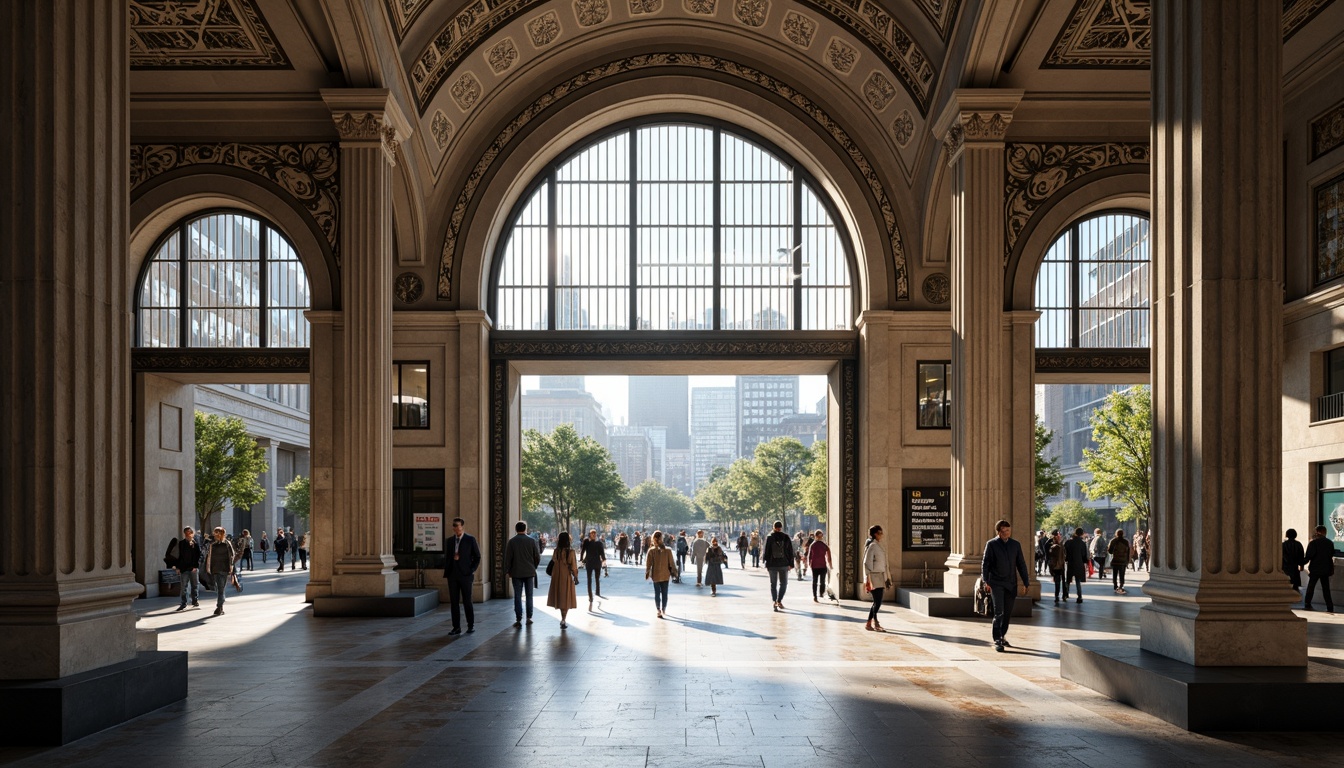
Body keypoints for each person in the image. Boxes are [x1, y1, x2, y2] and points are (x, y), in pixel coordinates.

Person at [981, 519, 1030, 652]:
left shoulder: (1015, 545)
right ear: (998, 532)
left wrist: (1026, 582)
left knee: (1007, 613)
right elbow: (985, 564)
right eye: (1003, 531)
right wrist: (986, 581)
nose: (1006, 533)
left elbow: (1021, 564)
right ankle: (997, 639)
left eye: (1008, 530)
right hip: (996, 583)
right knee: (999, 612)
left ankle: (1002, 635)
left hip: (1011, 584)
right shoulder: (991, 544)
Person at [445, 517, 481, 635]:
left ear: (462, 526)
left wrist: (471, 570)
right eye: (454, 525)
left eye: (457, 525)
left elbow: (477, 557)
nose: (455, 527)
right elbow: (447, 557)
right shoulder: (450, 541)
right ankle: (456, 627)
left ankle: (470, 625)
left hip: (465, 575)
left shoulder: (470, 540)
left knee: (467, 601)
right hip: (453, 575)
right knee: (454, 602)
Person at [504, 521, 541, 627]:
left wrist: (508, 570)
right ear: (526, 529)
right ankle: (529, 617)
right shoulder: (532, 541)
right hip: (529, 572)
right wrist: (534, 567)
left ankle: (518, 618)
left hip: (516, 573)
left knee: (517, 595)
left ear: (516, 529)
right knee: (529, 596)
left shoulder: (512, 542)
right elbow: (537, 557)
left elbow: (508, 558)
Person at [546, 530, 579, 629]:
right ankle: (564, 619)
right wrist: (575, 576)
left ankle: (563, 618)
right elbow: (573, 566)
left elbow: (554, 561)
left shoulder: (556, 551)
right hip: (566, 576)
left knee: (560, 596)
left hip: (556, 576)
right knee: (566, 597)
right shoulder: (571, 552)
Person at [203, 526, 236, 616]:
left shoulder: (227, 544)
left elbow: (232, 555)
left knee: (221, 588)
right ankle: (220, 606)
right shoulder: (212, 545)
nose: (215, 535)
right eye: (214, 533)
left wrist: (231, 566)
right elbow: (209, 556)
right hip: (215, 569)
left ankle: (219, 606)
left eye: (217, 533)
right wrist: (208, 568)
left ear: (221, 534)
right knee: (220, 587)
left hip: (225, 568)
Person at [1303, 525, 1336, 613]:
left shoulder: (1313, 543)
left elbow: (1309, 556)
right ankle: (1330, 606)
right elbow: (1331, 555)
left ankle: (1307, 603)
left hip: (1315, 569)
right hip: (1326, 569)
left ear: (1318, 532)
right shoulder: (1330, 543)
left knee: (1311, 587)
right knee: (1326, 589)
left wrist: (1301, 563)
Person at [644, 530, 677, 618]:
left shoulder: (651, 551)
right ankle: (664, 609)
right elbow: (672, 563)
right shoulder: (668, 550)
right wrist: (675, 573)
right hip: (665, 575)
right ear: (662, 538)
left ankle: (658, 610)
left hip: (656, 575)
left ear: (653, 539)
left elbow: (648, 564)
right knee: (665, 593)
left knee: (657, 593)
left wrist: (647, 573)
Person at [763, 521, 794, 611]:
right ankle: (779, 600)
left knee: (773, 584)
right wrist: (791, 564)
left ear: (773, 527)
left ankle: (774, 601)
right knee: (783, 583)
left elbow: (767, 551)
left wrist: (766, 563)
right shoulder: (786, 537)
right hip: (784, 564)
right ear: (781, 527)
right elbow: (790, 551)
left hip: (772, 564)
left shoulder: (770, 537)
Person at [171, 526, 204, 611]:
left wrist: (196, 566)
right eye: (186, 533)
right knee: (183, 586)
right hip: (184, 568)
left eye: (190, 532)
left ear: (192, 533)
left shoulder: (196, 543)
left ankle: (195, 600)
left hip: (193, 568)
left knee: (195, 585)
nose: (188, 534)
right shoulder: (181, 543)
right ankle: (183, 602)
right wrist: (177, 567)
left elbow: (200, 556)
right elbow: (178, 556)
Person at [862, 525, 888, 631]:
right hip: (874, 576)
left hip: (880, 575)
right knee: (877, 601)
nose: (881, 535)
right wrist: (868, 579)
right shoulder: (872, 546)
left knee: (877, 601)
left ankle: (869, 623)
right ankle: (874, 623)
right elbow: (866, 562)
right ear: (875, 534)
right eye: (879, 533)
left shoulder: (877, 545)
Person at [580, 528, 607, 607]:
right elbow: (582, 551)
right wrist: (581, 560)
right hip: (589, 563)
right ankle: (590, 596)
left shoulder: (599, 543)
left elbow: (602, 554)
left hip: (597, 563)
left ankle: (597, 591)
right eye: (592, 534)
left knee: (597, 578)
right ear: (590, 534)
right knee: (589, 579)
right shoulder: (586, 542)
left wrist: (604, 563)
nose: (594, 535)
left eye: (595, 534)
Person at [1064, 527, 1089, 604]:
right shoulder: (1083, 544)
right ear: (1081, 534)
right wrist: (1085, 562)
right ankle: (1079, 596)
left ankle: (1065, 594)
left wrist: (1067, 559)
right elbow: (1085, 555)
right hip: (1079, 563)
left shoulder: (1069, 542)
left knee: (1068, 580)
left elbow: (1065, 552)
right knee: (1078, 581)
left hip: (1071, 563)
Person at [809, 529, 832, 602]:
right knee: (822, 581)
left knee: (815, 581)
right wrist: (830, 564)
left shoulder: (813, 545)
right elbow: (829, 555)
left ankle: (815, 596)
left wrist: (809, 563)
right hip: (822, 565)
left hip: (815, 566)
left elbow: (810, 556)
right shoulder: (824, 545)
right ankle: (821, 593)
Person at [1283, 528, 1306, 595]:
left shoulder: (1283, 544)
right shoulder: (1298, 544)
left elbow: (1281, 555)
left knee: (1286, 581)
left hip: (1285, 566)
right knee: (1295, 582)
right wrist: (1302, 566)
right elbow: (1301, 556)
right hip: (1295, 566)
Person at [1107, 529, 1131, 594]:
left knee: (1115, 574)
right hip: (1123, 561)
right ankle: (1121, 585)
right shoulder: (1126, 542)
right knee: (1122, 573)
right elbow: (1128, 552)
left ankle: (1115, 585)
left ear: (1116, 534)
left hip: (1115, 560)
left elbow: (1110, 551)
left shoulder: (1113, 541)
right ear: (1123, 534)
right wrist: (1128, 560)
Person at [1046, 529, 1067, 604]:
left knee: (1057, 582)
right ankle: (1064, 595)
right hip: (1061, 566)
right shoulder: (1061, 546)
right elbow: (1065, 555)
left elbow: (1049, 556)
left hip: (1055, 566)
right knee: (1063, 581)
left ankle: (1057, 596)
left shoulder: (1051, 546)